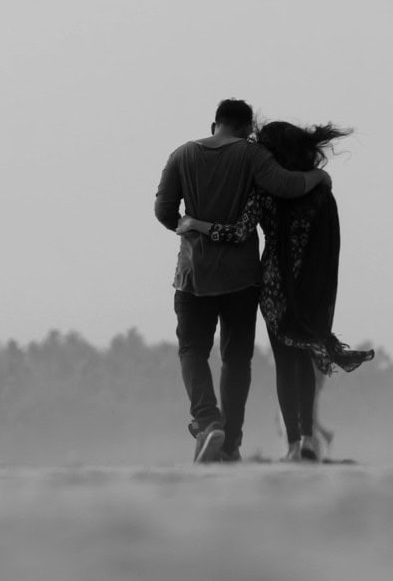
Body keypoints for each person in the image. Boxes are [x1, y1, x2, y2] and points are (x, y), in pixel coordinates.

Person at [176, 121, 374, 462]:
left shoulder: (265, 192)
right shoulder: (320, 192)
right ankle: (309, 441)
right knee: (304, 358)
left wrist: (197, 224)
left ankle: (294, 445)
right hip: (310, 286)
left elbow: (238, 233)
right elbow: (330, 245)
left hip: (274, 286)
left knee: (285, 362)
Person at [154, 99, 332, 463]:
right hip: (241, 278)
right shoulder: (251, 156)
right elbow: (284, 184)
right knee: (237, 359)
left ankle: (207, 422)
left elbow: (163, 211)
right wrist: (319, 176)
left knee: (192, 350)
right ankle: (231, 443)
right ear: (248, 129)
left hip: (193, 274)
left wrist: (188, 228)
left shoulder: (181, 155)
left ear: (214, 123)